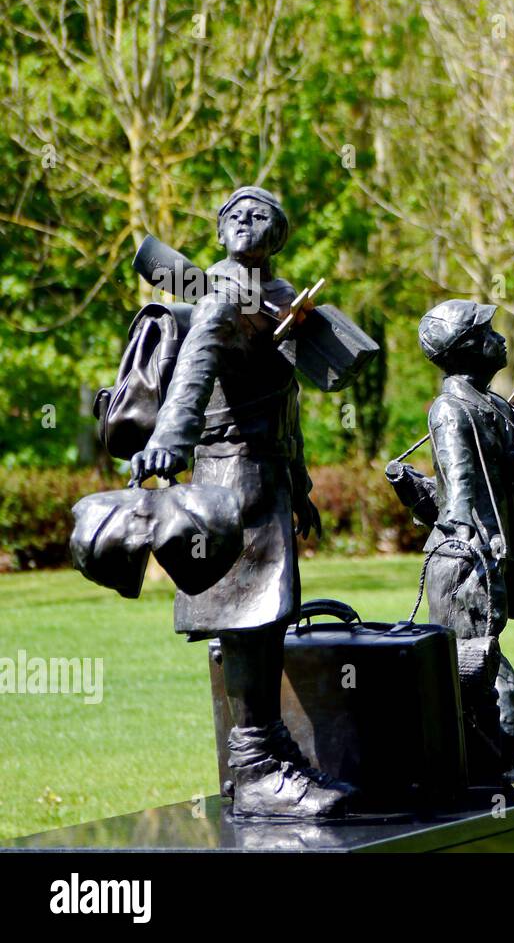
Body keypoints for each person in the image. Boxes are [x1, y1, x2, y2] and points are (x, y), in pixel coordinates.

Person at [129, 185, 354, 817]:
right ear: (220, 231)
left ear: (279, 237)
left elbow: (286, 403)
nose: (246, 220)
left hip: (268, 474)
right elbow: (195, 368)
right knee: (249, 620)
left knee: (269, 617)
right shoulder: (222, 295)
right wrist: (169, 445)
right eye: (234, 214)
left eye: (262, 215)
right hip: (231, 474)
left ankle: (266, 755)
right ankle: (255, 767)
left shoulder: (277, 302)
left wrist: (301, 484)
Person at [400, 299, 514, 781]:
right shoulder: (450, 409)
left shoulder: (490, 404)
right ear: (466, 349)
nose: (500, 338)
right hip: (469, 562)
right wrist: (464, 530)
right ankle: (482, 769)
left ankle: (485, 767)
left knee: (480, 665)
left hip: (485, 553)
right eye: (489, 332)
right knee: (478, 668)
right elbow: (461, 487)